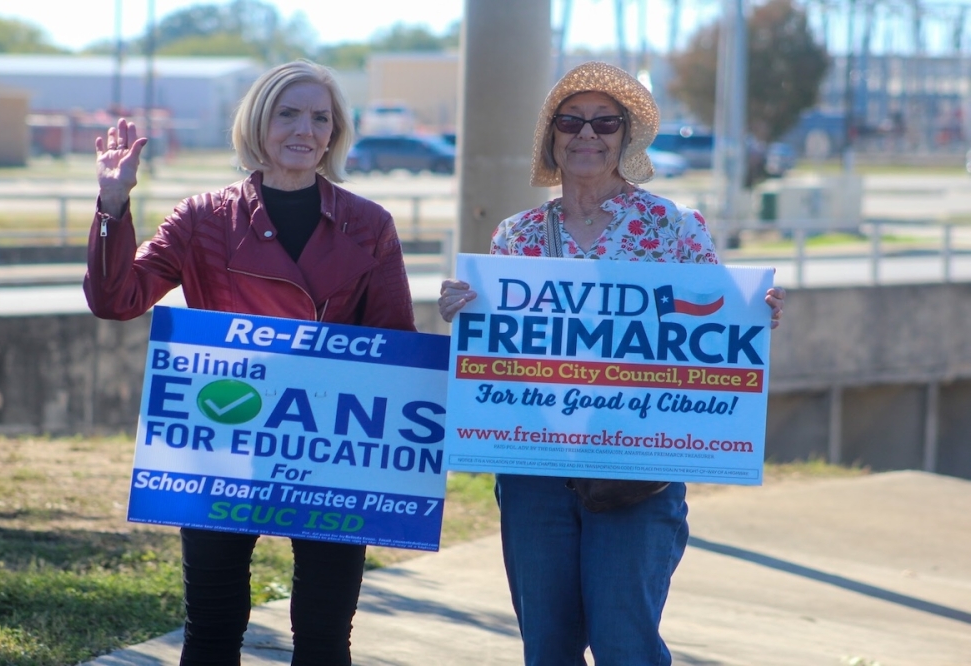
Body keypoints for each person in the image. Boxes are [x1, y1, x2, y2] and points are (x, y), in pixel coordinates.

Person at [438, 61, 786, 665]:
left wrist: (756, 313)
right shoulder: (514, 239)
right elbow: (494, 354)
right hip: (533, 467)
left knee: (626, 643)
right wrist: (462, 309)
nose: (587, 134)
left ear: (626, 138)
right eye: (571, 121)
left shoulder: (673, 227)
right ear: (552, 135)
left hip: (637, 470)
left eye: (605, 122)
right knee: (547, 647)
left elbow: (719, 323)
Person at [84, 60, 415, 666]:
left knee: (322, 638)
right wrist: (112, 204)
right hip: (222, 443)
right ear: (257, 123)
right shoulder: (203, 217)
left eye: (321, 117)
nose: (304, 130)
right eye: (288, 113)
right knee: (210, 631)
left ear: (335, 132)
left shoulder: (370, 225)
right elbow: (116, 300)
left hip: (332, 449)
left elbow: (393, 350)